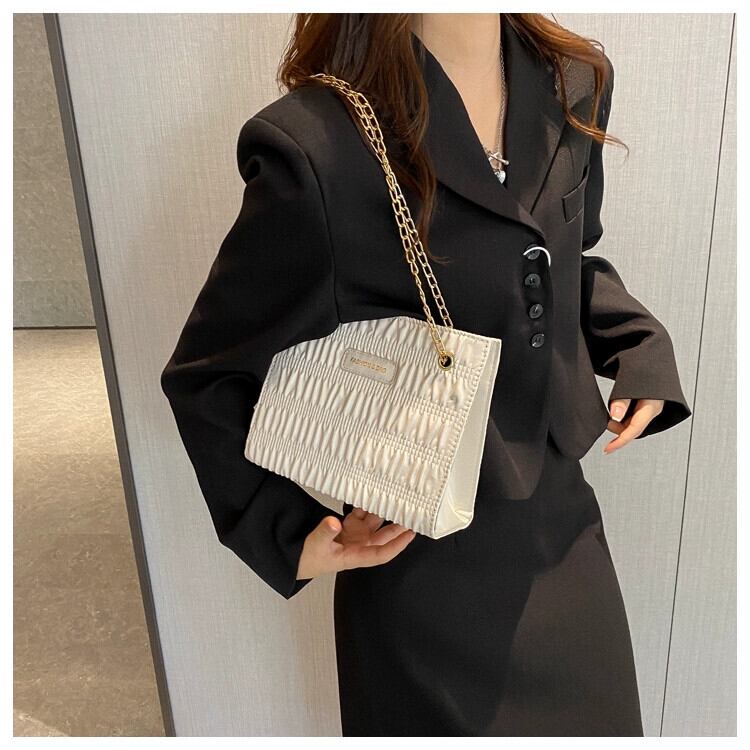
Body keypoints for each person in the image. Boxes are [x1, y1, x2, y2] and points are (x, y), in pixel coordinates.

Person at [160, 12, 691, 737]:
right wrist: (285, 530)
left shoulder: (575, 80)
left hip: (565, 532)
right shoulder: (318, 146)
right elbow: (206, 374)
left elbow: (561, 261)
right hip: (421, 565)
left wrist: (638, 344)